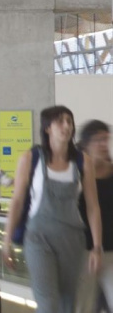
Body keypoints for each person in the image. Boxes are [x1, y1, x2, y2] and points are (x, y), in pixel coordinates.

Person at [2, 106, 102, 313]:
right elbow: (18, 201)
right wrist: (6, 241)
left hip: (72, 239)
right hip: (38, 237)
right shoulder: (31, 158)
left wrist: (97, 246)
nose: (66, 126)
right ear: (47, 128)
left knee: (68, 302)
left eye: (69, 121)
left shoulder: (83, 161)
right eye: (60, 121)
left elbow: (92, 206)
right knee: (48, 304)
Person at [77, 120, 113, 313]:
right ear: (86, 144)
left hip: (110, 251)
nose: (102, 144)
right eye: (97, 139)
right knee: (84, 306)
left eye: (105, 139)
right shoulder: (77, 175)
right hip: (83, 251)